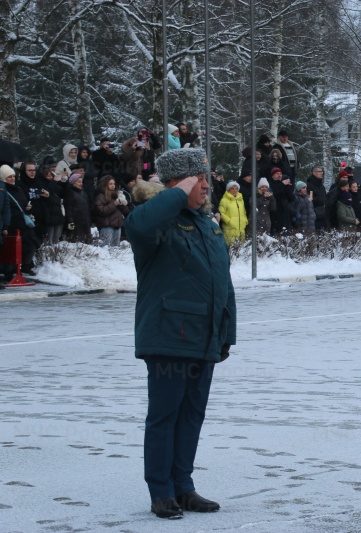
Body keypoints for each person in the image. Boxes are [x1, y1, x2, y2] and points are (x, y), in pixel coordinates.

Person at [125, 148, 236, 520]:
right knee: (165, 415)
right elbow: (137, 225)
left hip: (204, 337)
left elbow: (223, 284)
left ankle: (183, 487)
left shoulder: (206, 224)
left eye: (206, 178)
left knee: (192, 415)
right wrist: (178, 189)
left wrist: (226, 332)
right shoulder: (156, 224)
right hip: (169, 335)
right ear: (176, 183)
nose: (207, 185)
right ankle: (161, 492)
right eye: (198, 179)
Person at [2, 165, 41, 273]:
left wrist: (27, 208)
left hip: (23, 223)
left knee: (32, 244)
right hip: (11, 223)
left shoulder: (19, 189)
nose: (12, 179)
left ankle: (25, 265)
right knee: (11, 248)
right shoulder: (3, 190)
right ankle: (11, 269)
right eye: (9, 177)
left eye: (13, 176)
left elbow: (24, 204)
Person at [93, 175, 129, 246]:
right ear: (105, 185)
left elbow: (126, 211)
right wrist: (114, 204)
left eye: (114, 184)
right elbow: (101, 211)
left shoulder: (117, 195)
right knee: (106, 248)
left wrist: (121, 203)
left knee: (115, 249)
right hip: (107, 226)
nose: (113, 186)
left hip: (117, 226)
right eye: (110, 184)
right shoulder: (101, 196)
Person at [65, 173, 92, 244]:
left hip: (85, 222)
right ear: (73, 183)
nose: (81, 184)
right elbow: (68, 208)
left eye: (82, 182)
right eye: (79, 182)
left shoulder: (83, 193)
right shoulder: (70, 193)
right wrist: (70, 220)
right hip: (76, 223)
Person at [306, 166, 328, 231]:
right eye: (319, 171)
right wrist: (319, 199)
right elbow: (310, 199)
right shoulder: (309, 185)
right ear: (314, 173)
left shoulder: (321, 186)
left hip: (323, 212)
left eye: (322, 171)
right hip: (314, 213)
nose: (321, 173)